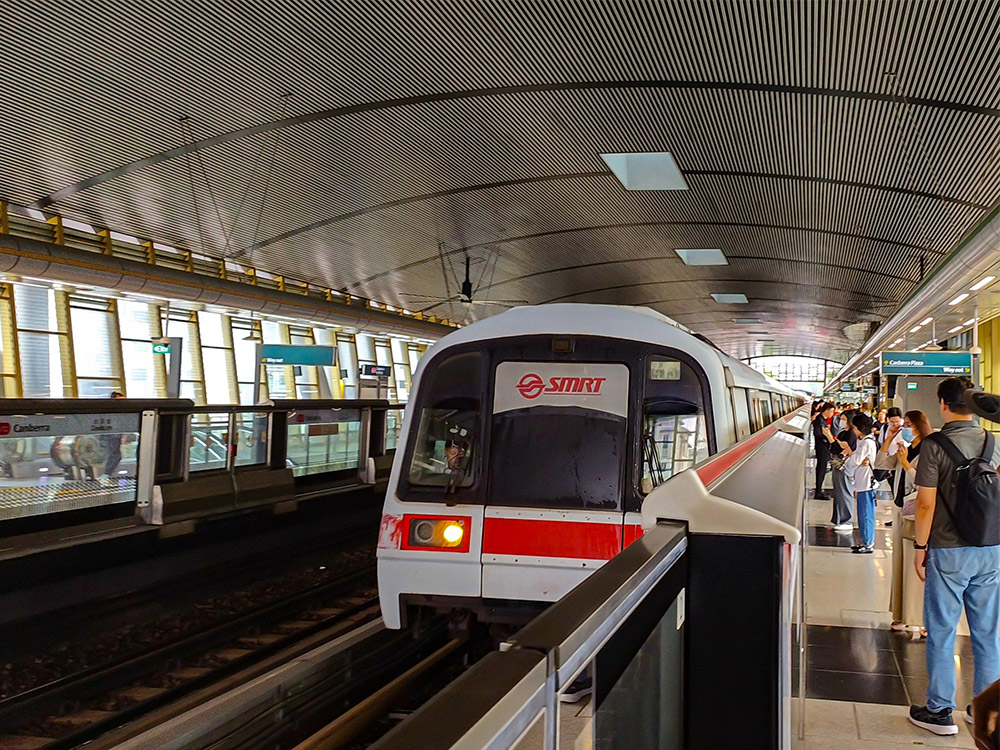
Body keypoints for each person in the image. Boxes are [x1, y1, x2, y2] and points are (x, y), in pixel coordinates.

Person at [909, 377, 1000, 737]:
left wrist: (920, 548)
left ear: (943, 404)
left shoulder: (934, 445)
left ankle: (939, 710)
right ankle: (985, 711)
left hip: (948, 551)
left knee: (943, 630)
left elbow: (925, 503)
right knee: (987, 633)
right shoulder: (992, 442)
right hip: (990, 549)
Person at [888, 409, 932, 634]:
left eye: (908, 424)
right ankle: (901, 614)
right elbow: (881, 463)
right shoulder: (904, 447)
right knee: (900, 566)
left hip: (917, 514)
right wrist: (889, 439)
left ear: (918, 426)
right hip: (902, 510)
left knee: (917, 569)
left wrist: (905, 463)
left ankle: (923, 620)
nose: (904, 428)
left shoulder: (928, 450)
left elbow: (924, 483)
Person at [842, 412, 878, 553]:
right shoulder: (863, 441)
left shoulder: (867, 443)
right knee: (862, 514)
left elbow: (855, 460)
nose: (854, 431)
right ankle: (864, 540)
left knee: (866, 514)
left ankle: (868, 544)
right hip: (862, 482)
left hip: (866, 483)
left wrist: (849, 461)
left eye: (855, 428)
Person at [829, 409, 856, 531]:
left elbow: (843, 449)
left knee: (845, 492)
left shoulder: (851, 434)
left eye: (844, 420)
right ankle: (839, 518)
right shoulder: (843, 433)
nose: (841, 422)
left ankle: (847, 520)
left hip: (845, 466)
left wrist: (830, 438)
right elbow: (835, 448)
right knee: (839, 492)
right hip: (838, 464)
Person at [812, 403, 835, 500]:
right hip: (822, 447)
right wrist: (827, 437)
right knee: (821, 468)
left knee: (823, 468)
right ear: (827, 410)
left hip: (824, 447)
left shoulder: (823, 419)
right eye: (831, 411)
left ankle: (819, 489)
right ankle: (818, 492)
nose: (832, 414)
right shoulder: (819, 420)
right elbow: (818, 433)